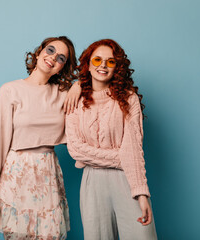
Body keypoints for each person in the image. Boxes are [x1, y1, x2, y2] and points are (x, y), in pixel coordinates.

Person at [0, 36, 81, 240]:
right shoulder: (10, 90)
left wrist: (79, 85)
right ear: (39, 52)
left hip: (48, 174)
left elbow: (101, 85)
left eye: (61, 58)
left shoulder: (64, 94)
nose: (53, 57)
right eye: (50, 50)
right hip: (16, 172)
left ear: (62, 67)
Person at [66, 39, 158, 239]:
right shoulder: (75, 100)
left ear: (117, 67)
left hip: (128, 179)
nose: (103, 66)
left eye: (110, 61)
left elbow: (133, 147)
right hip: (93, 182)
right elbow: (75, 150)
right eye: (97, 59)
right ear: (88, 64)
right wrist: (122, 156)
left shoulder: (128, 98)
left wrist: (141, 193)